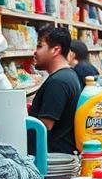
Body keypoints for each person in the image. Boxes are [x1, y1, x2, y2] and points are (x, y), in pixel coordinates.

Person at [29, 25, 84, 155]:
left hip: (52, 161)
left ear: (55, 50)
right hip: (61, 156)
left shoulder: (58, 82)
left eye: (39, 46)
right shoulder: (69, 76)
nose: (35, 52)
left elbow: (44, 126)